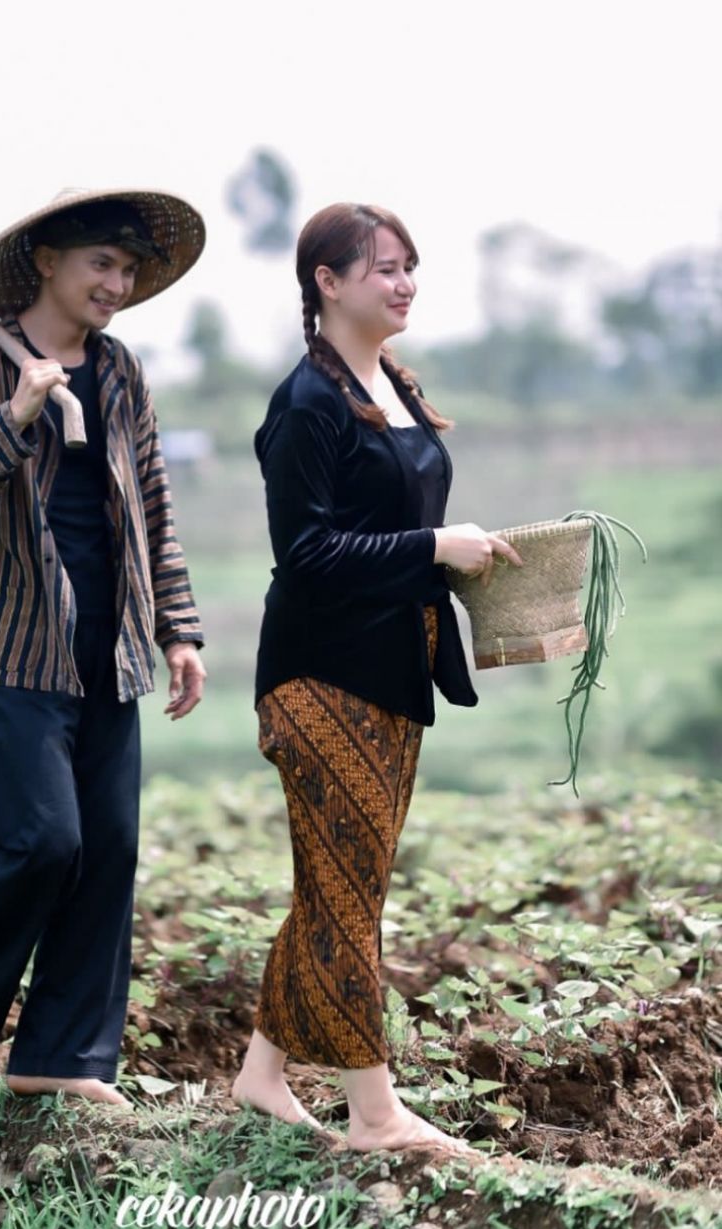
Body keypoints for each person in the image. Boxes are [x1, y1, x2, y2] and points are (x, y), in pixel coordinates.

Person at [231, 202, 522, 1151]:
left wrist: (458, 551)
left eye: (410, 267)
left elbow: (390, 527)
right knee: (349, 893)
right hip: (322, 678)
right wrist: (437, 541)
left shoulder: (389, 383)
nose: (404, 283)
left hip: (392, 671)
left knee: (340, 884)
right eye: (384, 268)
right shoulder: (307, 403)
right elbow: (306, 551)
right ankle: (375, 1112)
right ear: (328, 281)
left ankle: (261, 1074)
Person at [0, 188, 208, 1106]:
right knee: (44, 840)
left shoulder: (120, 374)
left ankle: (63, 1058)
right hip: (10, 650)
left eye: (126, 271)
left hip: (108, 644)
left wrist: (180, 629)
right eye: (100, 266)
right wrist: (15, 418)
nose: (116, 285)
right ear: (47, 261)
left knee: (108, 847)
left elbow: (154, 505)